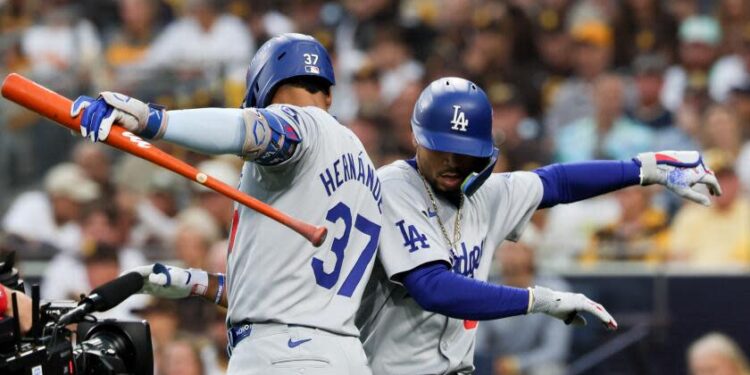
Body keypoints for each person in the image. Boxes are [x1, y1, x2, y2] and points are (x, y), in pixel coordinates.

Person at [356, 77, 721, 375]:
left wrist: (646, 168)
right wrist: (539, 300)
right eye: (441, 148)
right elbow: (432, 288)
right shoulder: (392, 187)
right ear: (417, 137)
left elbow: (556, 182)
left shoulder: (484, 194)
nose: (452, 161)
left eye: (464, 151)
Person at [71, 33, 381, 374]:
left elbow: (252, 130)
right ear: (329, 92)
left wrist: (152, 120)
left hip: (281, 355)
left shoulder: (301, 124)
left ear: (261, 89)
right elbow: (290, 291)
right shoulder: (364, 164)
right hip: (346, 356)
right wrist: (196, 282)